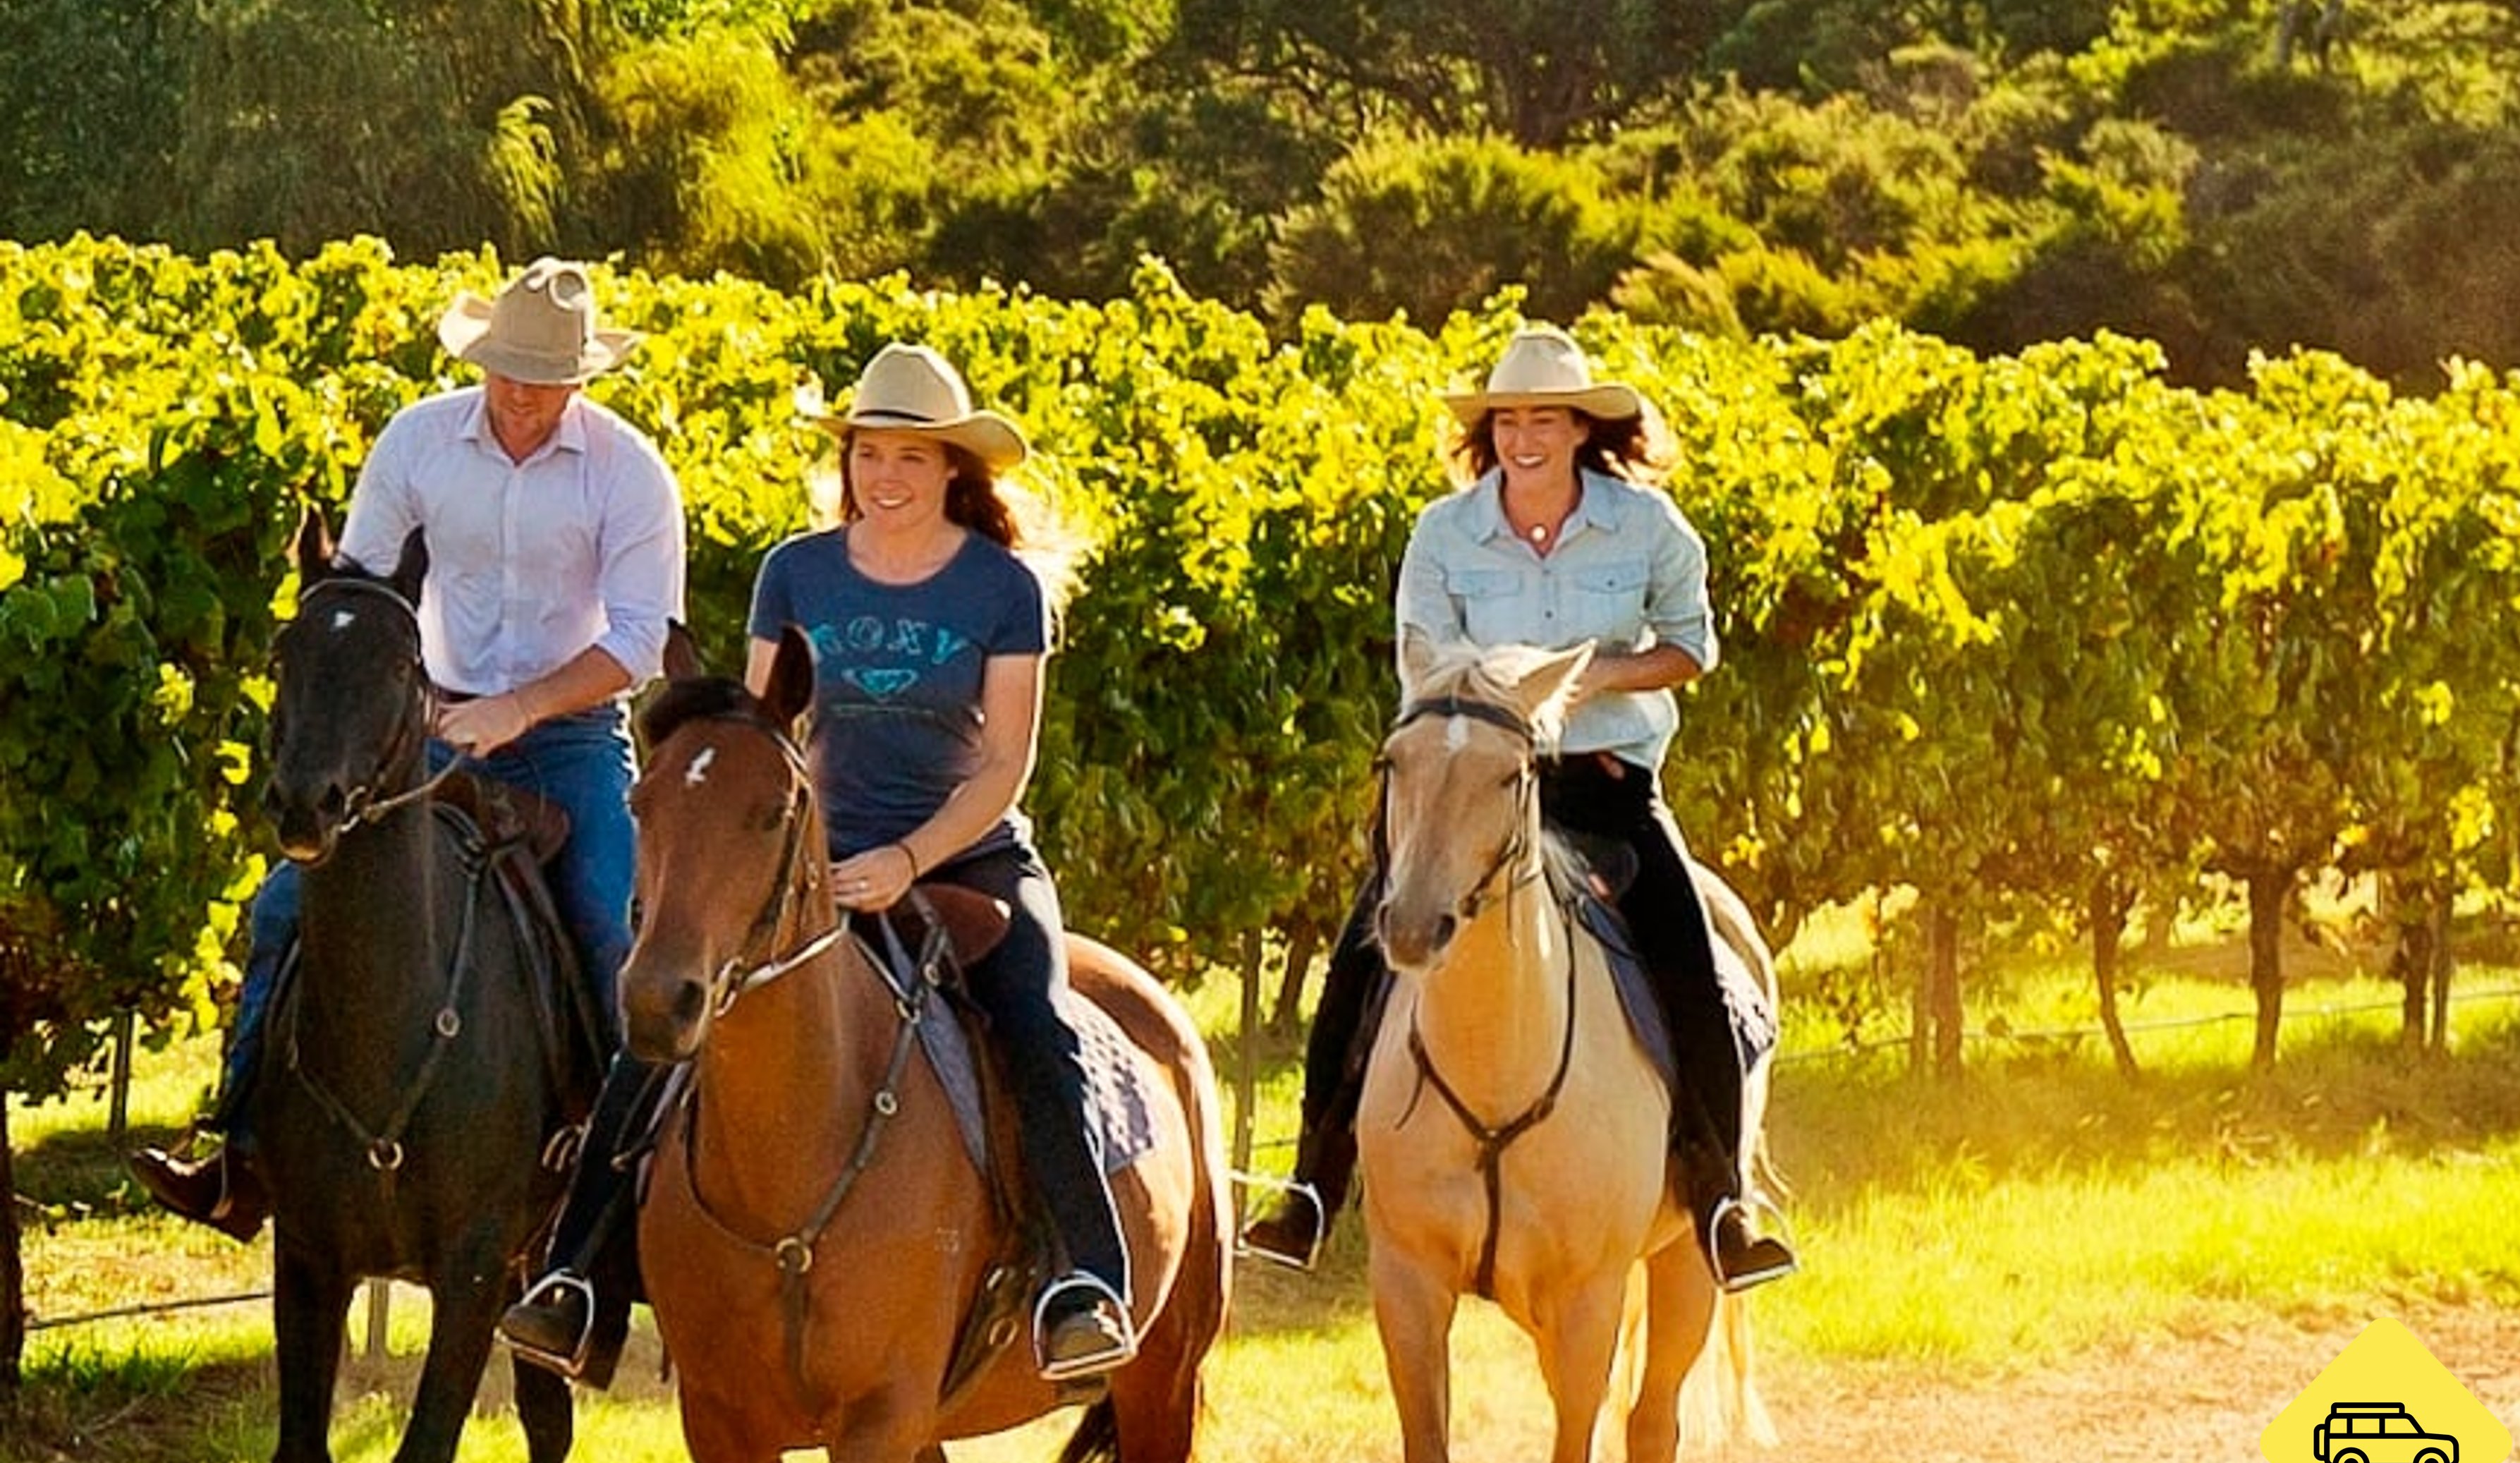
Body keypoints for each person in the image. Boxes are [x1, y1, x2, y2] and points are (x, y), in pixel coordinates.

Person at [498, 341, 1136, 1383]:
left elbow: (1004, 763)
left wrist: (906, 858)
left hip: (964, 857)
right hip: (805, 858)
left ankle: (1082, 1282)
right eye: (869, 455)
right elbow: (763, 733)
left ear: (952, 474)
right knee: (665, 1013)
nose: (884, 478)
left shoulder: (1002, 589)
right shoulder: (792, 571)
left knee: (1034, 1020)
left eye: (911, 460)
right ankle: (575, 1279)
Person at [128, 257, 686, 1241]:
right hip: (426, 731)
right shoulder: (418, 442)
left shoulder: (631, 473)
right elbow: (365, 587)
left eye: (541, 378)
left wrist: (517, 710)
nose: (519, 394)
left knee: (608, 922)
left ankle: (616, 1184)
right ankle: (242, 1150)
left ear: (580, 379)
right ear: (481, 363)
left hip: (571, 740)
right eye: (504, 371)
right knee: (285, 905)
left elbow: (638, 642)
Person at [1238, 325, 1798, 1292]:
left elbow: (1692, 647)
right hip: (1468, 784)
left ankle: (1720, 1200)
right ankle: (1313, 1187)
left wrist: (1592, 681)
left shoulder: (1650, 528)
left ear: (1584, 429)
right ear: (1487, 431)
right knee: (1361, 959)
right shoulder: (1443, 532)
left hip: (1604, 787)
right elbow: (1423, 654)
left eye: (1545, 418)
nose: (1523, 436)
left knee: (1688, 961)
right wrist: (1503, 704)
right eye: (1507, 419)